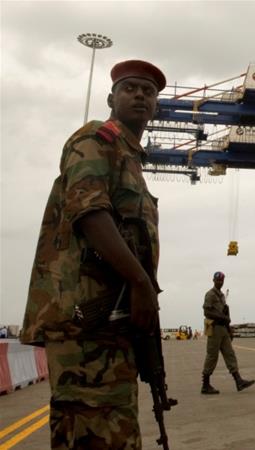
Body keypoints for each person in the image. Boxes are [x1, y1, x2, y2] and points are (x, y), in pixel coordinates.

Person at [20, 60, 166, 448]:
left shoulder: (130, 158)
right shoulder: (96, 140)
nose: (139, 95)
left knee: (113, 428)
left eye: (148, 92)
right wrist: (140, 282)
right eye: (130, 88)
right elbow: (89, 211)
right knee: (91, 430)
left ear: (156, 106)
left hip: (110, 321)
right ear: (111, 98)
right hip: (84, 318)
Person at [201, 271, 255, 394]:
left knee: (230, 354)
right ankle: (205, 385)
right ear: (213, 281)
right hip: (214, 329)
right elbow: (207, 312)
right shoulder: (210, 294)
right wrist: (222, 318)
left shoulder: (221, 295)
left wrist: (229, 328)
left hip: (223, 329)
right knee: (212, 356)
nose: (220, 282)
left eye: (221, 280)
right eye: (218, 280)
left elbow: (225, 312)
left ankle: (238, 381)